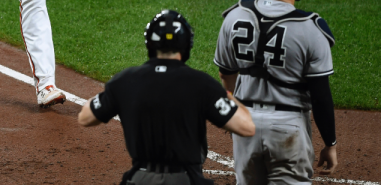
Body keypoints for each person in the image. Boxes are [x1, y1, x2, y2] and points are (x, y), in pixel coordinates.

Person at [79, 10, 255, 185]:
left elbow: (85, 118)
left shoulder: (125, 80)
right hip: (185, 179)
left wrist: (115, 93)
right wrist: (223, 94)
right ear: (186, 44)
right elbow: (246, 127)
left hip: (140, 179)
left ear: (150, 43)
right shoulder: (201, 84)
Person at [213, 0, 339, 184]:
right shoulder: (311, 28)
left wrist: (234, 113)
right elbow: (320, 95)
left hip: (245, 124)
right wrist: (330, 143)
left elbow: (226, 75)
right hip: (288, 129)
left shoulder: (234, 16)